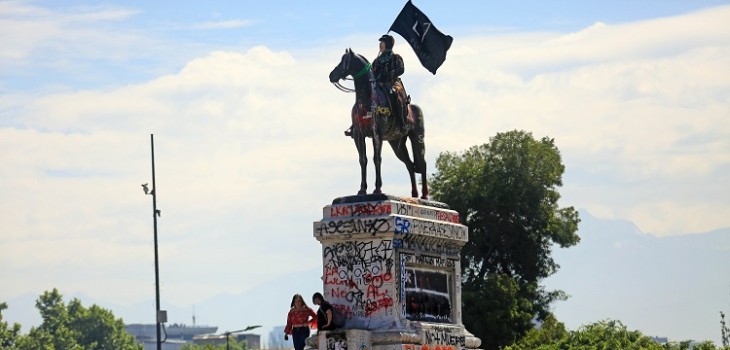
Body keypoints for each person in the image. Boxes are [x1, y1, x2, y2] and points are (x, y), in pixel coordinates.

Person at [345, 34, 411, 137]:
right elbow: (371, 73)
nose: (380, 45)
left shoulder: (396, 58)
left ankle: (402, 123)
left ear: (388, 45)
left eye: (382, 43)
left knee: (395, 95)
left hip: (392, 83)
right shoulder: (377, 61)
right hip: (378, 84)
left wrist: (389, 74)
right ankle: (356, 125)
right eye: (380, 43)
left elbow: (401, 69)